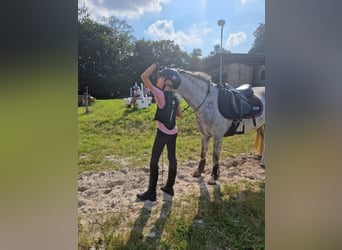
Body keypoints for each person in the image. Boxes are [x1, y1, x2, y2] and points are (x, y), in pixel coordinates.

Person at [137, 62, 183, 202]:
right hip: (173, 133)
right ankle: (169, 187)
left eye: (162, 77)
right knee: (172, 159)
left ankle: (151, 193)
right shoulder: (176, 98)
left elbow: (144, 77)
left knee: (154, 162)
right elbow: (180, 116)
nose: (159, 79)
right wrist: (171, 111)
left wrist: (155, 65)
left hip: (162, 133)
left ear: (167, 81)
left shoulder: (160, 94)